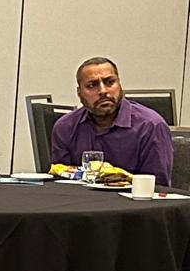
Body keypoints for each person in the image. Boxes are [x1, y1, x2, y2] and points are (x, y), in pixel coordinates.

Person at [50, 57, 172, 185]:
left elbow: (157, 187)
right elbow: (60, 181)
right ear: (79, 93)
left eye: (110, 82)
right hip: (80, 197)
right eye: (92, 85)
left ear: (119, 84)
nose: (103, 91)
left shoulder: (150, 126)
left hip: (133, 197)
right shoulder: (65, 127)